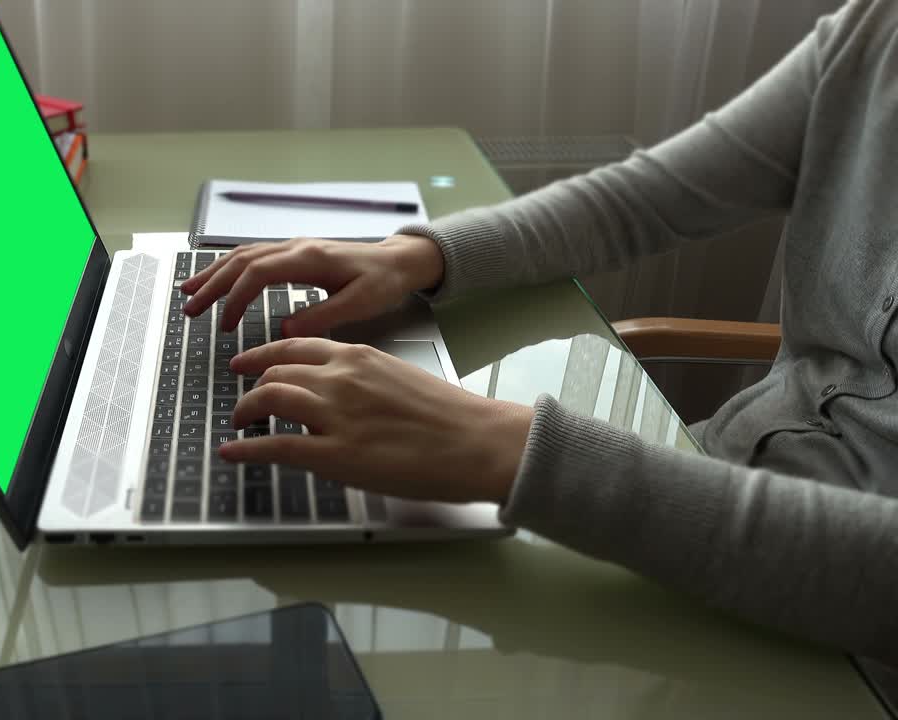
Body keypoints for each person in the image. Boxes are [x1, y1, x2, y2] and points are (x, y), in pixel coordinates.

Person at [179, 0, 898, 665]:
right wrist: (417, 255)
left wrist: (509, 448)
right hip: (707, 499)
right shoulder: (872, 33)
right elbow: (641, 201)